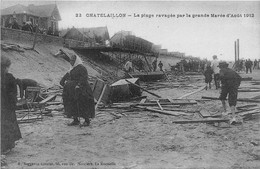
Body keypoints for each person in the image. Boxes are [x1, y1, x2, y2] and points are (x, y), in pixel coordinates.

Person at [60, 54, 95, 126]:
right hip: (73, 91)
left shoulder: (81, 68)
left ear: (76, 61)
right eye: (70, 60)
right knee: (72, 104)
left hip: (82, 89)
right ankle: (75, 120)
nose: (71, 62)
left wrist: (79, 85)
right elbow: (65, 77)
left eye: (72, 60)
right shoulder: (72, 69)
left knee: (82, 103)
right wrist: (63, 82)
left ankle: (86, 120)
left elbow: (84, 78)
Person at [1, 56, 22, 153]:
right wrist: (14, 103)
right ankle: (7, 146)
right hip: (7, 107)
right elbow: (13, 93)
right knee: (8, 125)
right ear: (6, 67)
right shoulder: (9, 78)